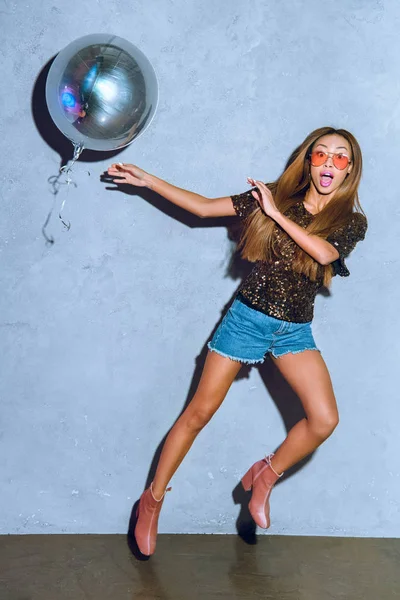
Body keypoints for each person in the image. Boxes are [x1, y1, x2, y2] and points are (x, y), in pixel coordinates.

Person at [107, 126, 367, 556]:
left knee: (323, 420)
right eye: (321, 155)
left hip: (294, 329)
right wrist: (148, 180)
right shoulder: (275, 198)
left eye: (340, 158)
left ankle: (264, 474)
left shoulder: (349, 222)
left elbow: (323, 254)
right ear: (309, 161)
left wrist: (275, 214)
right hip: (246, 320)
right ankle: (151, 502)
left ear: (349, 170)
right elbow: (206, 208)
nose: (328, 164)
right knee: (198, 413)